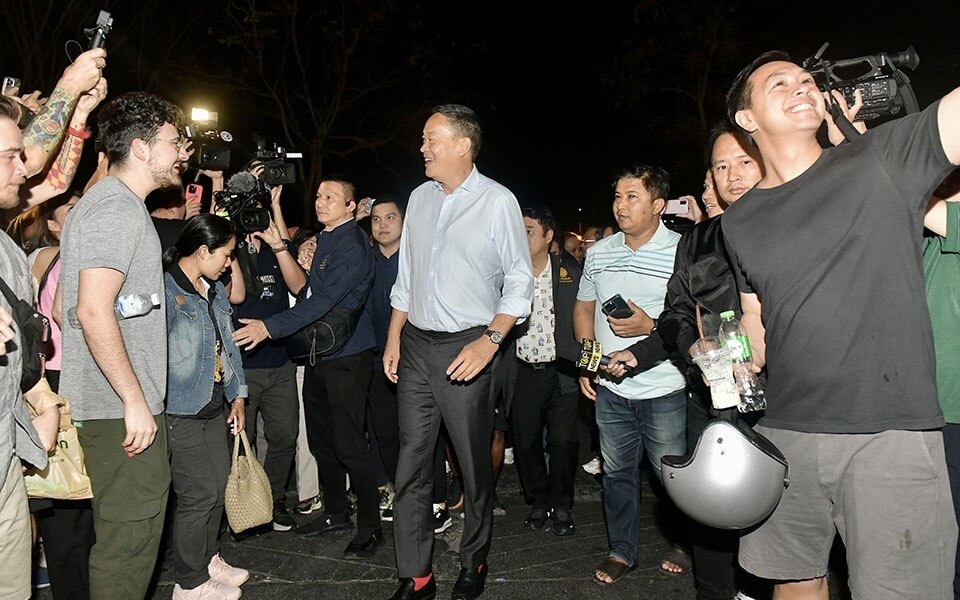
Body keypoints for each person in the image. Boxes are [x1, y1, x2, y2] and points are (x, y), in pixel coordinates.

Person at [721, 50, 960, 600]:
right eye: (779, 82)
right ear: (747, 119)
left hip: (888, 432)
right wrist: (738, 358)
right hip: (785, 432)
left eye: (806, 80)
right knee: (795, 582)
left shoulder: (880, 158)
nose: (802, 85)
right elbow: (756, 311)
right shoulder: (738, 222)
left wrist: (854, 132)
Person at [383, 104, 533, 600]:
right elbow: (406, 279)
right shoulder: (419, 199)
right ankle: (417, 575)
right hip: (416, 346)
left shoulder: (497, 202)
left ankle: (474, 562)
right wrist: (392, 338)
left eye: (431, 139)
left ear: (463, 145)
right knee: (411, 465)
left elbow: (519, 278)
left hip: (468, 346)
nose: (422, 147)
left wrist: (490, 340)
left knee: (472, 465)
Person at [59, 91, 187, 600]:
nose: (184, 153)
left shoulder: (115, 204)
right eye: (174, 142)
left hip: (121, 406)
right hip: (120, 410)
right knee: (128, 543)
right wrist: (134, 400)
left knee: (130, 537)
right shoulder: (115, 209)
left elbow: (110, 306)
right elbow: (93, 310)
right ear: (140, 148)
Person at [232, 177, 380, 560]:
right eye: (318, 195)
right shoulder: (329, 238)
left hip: (348, 355)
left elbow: (324, 301)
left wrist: (270, 326)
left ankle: (370, 525)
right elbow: (308, 289)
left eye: (331, 197)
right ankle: (335, 513)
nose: (321, 201)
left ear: (351, 207)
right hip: (320, 353)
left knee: (349, 442)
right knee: (320, 439)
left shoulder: (352, 244)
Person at [572, 165, 685, 587]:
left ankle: (685, 544)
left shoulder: (681, 251)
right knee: (617, 473)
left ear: (657, 205)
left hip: (664, 387)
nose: (621, 205)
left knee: (671, 474)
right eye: (617, 196)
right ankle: (622, 550)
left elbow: (688, 321)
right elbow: (584, 308)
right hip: (610, 387)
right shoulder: (599, 252)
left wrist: (649, 328)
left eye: (632, 196)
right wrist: (588, 361)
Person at [162, 214, 249, 600]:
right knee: (198, 495)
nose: (230, 263)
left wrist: (238, 395)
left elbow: (229, 347)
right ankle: (189, 581)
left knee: (218, 490)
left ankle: (209, 558)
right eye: (227, 256)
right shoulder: (164, 290)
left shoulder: (212, 290)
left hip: (214, 405)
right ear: (202, 251)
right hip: (180, 409)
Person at [0, 94, 51, 600]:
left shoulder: (7, 250)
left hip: (6, 467)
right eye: (12, 155)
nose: (25, 167)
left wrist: (39, 395)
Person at [511, 206, 582, 536]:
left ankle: (563, 503)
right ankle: (539, 499)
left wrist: (587, 365)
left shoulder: (568, 271)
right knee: (525, 442)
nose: (521, 237)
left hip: (563, 372)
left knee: (563, 441)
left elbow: (585, 317)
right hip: (525, 371)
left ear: (548, 236)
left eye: (528, 231)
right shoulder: (510, 275)